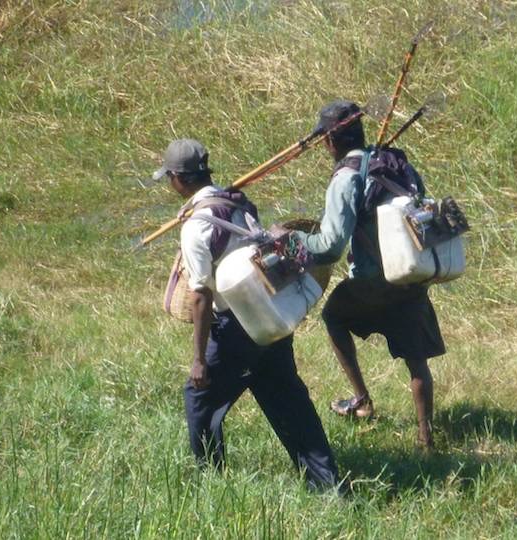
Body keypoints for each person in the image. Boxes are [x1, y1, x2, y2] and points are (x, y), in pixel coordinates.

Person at [152, 138, 339, 489]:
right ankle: (326, 483)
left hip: (236, 327)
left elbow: (201, 297)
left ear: (178, 178)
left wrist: (198, 359)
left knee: (200, 399)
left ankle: (212, 483)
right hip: (270, 314)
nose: (169, 183)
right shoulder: (237, 202)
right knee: (288, 400)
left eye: (169, 177)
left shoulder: (196, 225)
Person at [291, 101, 446, 449]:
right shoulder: (395, 163)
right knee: (416, 358)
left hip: (373, 281)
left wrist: (296, 241)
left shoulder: (345, 179)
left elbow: (330, 246)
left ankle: (361, 400)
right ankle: (426, 437)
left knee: (333, 315)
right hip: (411, 273)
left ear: (330, 141)